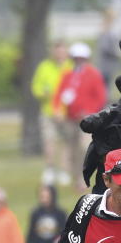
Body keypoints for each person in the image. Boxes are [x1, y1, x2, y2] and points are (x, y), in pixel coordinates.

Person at [53, 42, 107, 190]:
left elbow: (100, 97)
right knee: (72, 149)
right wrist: (58, 109)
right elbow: (59, 94)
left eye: (81, 58)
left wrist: (90, 111)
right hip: (70, 119)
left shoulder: (93, 75)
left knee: (85, 148)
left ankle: (85, 178)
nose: (78, 61)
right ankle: (77, 177)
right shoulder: (68, 75)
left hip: (87, 120)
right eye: (76, 58)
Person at [32, 41, 74, 187]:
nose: (60, 54)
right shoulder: (45, 66)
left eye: (62, 51)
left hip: (67, 113)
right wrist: (44, 92)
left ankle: (64, 171)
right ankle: (49, 169)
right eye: (57, 51)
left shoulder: (71, 67)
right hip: (48, 111)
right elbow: (36, 87)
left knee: (66, 142)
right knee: (49, 141)